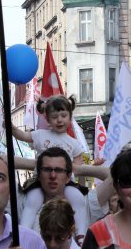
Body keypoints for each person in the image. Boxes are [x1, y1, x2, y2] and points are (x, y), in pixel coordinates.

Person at [12, 95, 87, 232]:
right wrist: (12, 128)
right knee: (32, 201)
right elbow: (23, 136)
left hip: (66, 183)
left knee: (77, 199)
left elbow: (78, 168)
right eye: (54, 117)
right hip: (39, 181)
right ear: (47, 119)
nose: (59, 120)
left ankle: (81, 234)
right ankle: (24, 232)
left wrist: (80, 185)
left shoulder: (74, 143)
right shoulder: (40, 135)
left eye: (63, 115)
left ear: (70, 117)